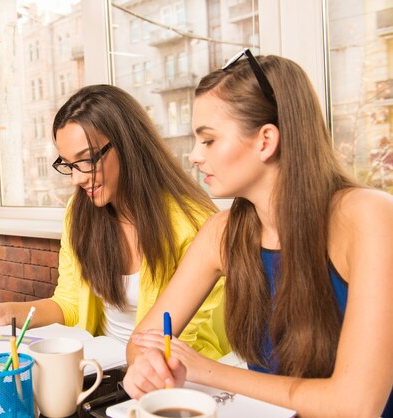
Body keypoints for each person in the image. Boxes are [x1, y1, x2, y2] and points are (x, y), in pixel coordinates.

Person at [122, 50, 393, 417]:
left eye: (209, 140)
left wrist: (207, 370)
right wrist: (145, 365)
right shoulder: (222, 232)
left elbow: (355, 405)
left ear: (266, 141)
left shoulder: (370, 218)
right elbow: (143, 341)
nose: (194, 157)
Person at [0, 84, 229, 360]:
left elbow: (182, 337)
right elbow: (69, 303)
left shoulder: (193, 224)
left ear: (127, 145)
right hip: (102, 365)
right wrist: (7, 313)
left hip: (172, 368)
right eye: (69, 165)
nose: (77, 178)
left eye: (86, 161)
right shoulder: (80, 210)